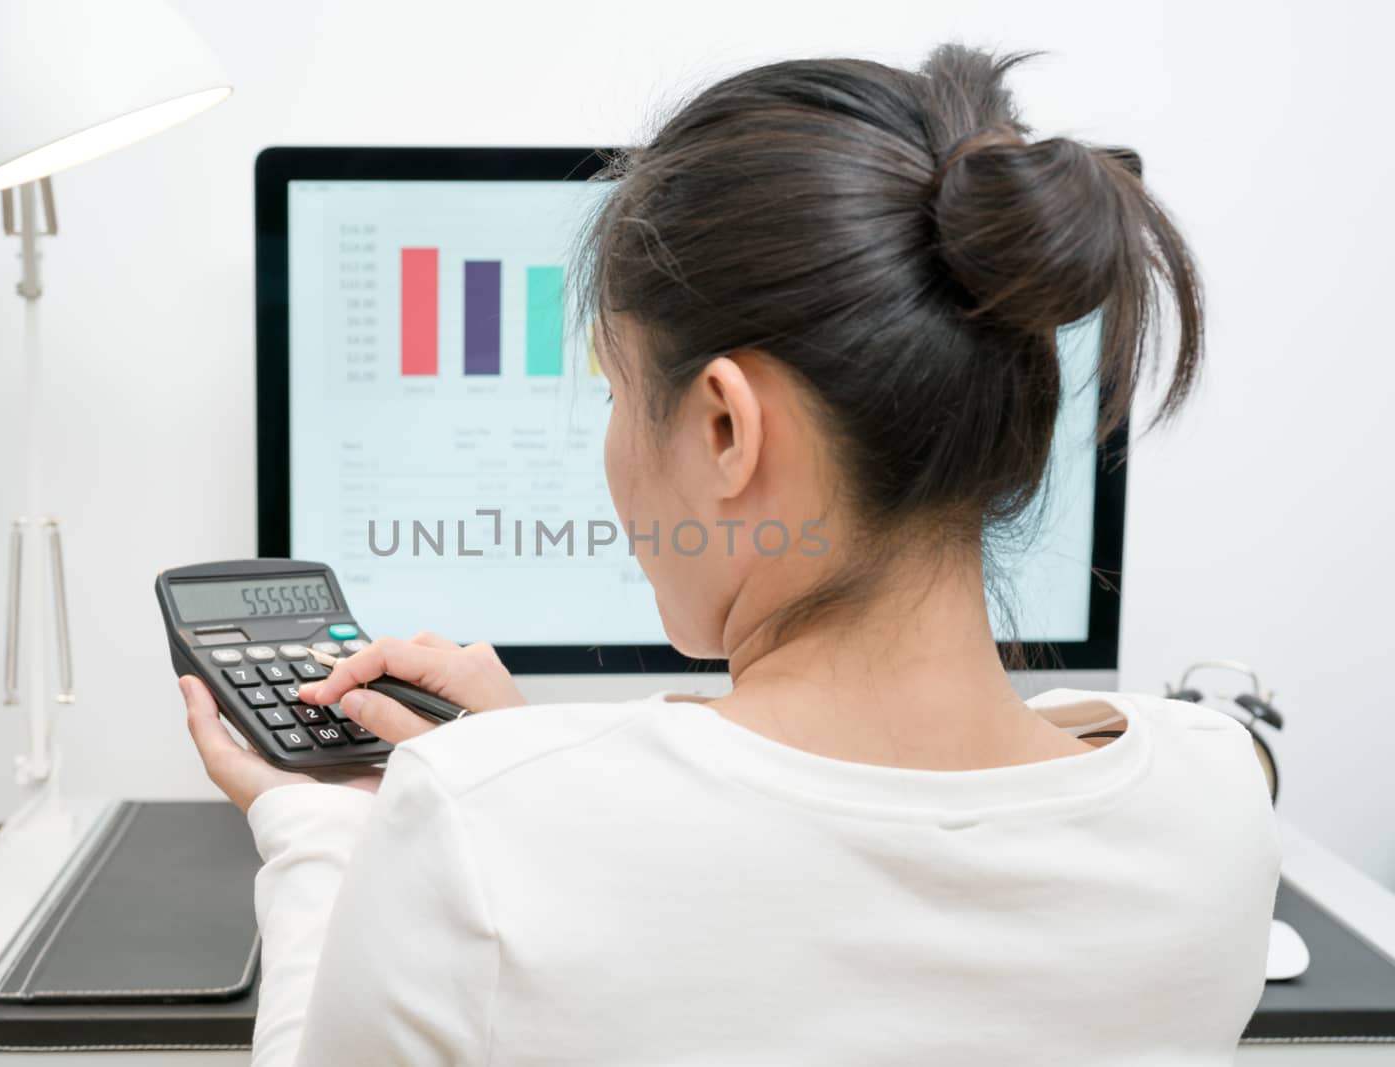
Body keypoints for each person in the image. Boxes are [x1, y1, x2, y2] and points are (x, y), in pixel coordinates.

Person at [180, 44, 1279, 1066]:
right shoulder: (1218, 793)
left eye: (614, 394)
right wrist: (534, 770)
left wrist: (317, 826)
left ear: (723, 428)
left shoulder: (464, 827)